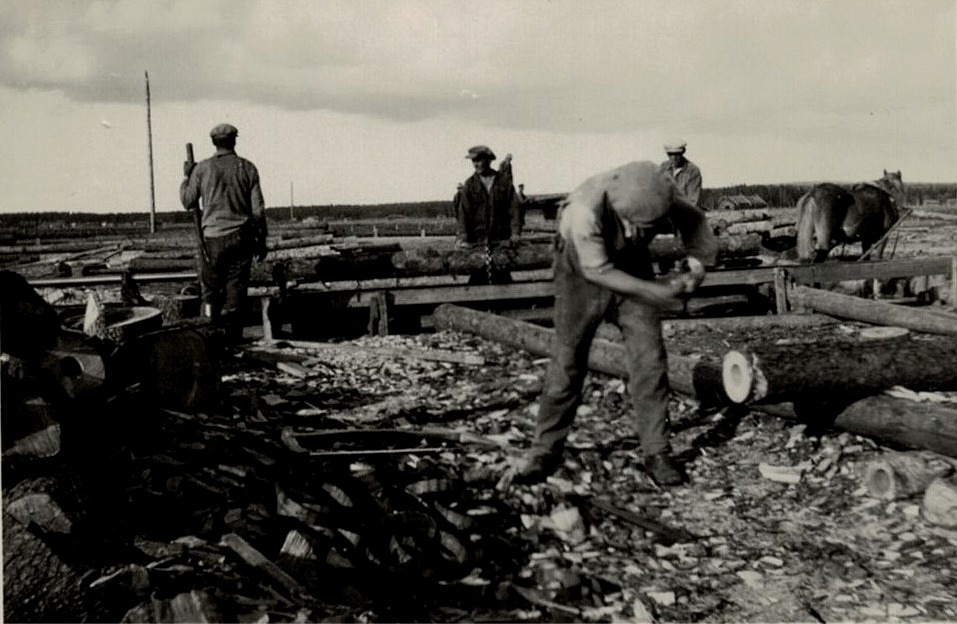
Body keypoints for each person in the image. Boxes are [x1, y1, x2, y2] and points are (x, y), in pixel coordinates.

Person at [505, 161, 718, 487]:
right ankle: (544, 451)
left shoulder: (659, 191)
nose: (643, 234)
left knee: (650, 361)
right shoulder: (584, 210)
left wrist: (696, 262)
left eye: (650, 229)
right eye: (636, 227)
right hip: (582, 274)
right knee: (567, 363)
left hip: (631, 266)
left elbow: (696, 222)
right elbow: (598, 271)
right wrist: (656, 291)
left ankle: (656, 451)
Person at [180, 123, 268, 345]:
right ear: (234, 140)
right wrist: (261, 241)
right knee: (236, 293)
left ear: (213, 142)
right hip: (241, 239)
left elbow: (187, 201)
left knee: (209, 294)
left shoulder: (202, 169)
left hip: (212, 241)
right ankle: (233, 340)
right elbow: (258, 211)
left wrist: (186, 178)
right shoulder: (247, 168)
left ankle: (208, 338)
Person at [456, 145, 522, 283]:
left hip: (501, 239)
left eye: (479, 160)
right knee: (478, 277)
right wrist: (463, 237)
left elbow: (514, 209)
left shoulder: (504, 182)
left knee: (503, 277)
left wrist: (515, 233)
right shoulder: (470, 185)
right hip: (478, 241)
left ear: (489, 160)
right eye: (473, 161)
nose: (475, 164)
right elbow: (464, 214)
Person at [659, 141, 703, 208]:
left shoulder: (693, 171)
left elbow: (692, 202)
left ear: (683, 152)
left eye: (677, 154)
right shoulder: (663, 168)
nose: (673, 158)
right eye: (670, 154)